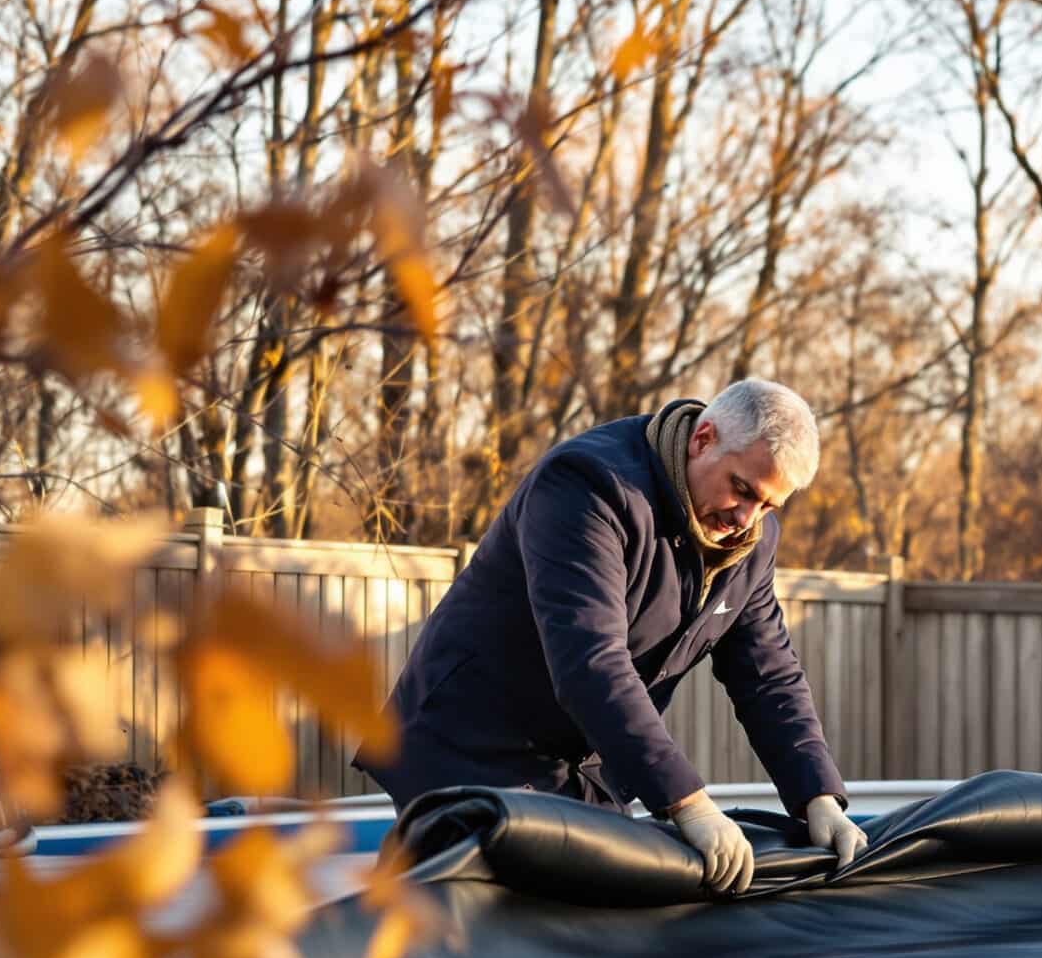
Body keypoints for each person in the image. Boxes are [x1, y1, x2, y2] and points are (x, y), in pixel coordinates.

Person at [355, 379, 868, 894]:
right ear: (703, 439)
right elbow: (591, 663)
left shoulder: (750, 542)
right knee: (456, 934)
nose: (746, 519)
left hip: (583, 763)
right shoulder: (588, 487)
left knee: (591, 938)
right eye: (742, 489)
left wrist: (816, 797)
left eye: (769, 505)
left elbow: (769, 675)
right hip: (470, 748)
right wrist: (688, 803)